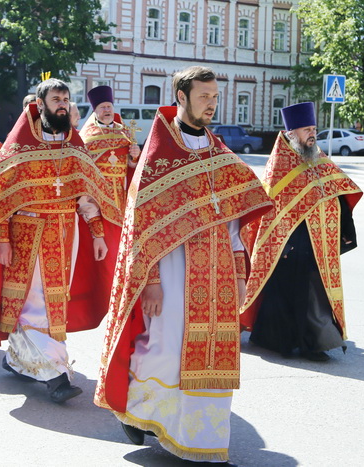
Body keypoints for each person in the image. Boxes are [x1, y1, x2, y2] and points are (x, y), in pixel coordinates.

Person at [94, 66, 272, 464]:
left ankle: (204, 443)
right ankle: (140, 413)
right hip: (172, 272)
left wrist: (241, 275)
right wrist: (151, 282)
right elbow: (141, 226)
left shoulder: (219, 153)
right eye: (204, 96)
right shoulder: (159, 157)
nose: (212, 103)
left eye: (214, 96)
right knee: (162, 351)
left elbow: (233, 222)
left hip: (219, 273)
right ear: (182, 97)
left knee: (214, 356)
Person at [0, 78, 122, 403]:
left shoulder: (75, 146)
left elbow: (87, 194)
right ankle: (56, 375)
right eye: (56, 98)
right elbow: (0, 198)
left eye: (65, 98)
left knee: (50, 303)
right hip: (27, 235)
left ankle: (17, 359)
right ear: (41, 104)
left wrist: (98, 233)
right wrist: (2, 239)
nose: (62, 103)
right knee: (37, 305)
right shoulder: (19, 146)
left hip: (65, 233)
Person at [240, 102, 363, 361]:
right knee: (290, 294)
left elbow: (338, 191)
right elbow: (273, 208)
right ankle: (285, 342)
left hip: (319, 243)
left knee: (316, 294)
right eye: (307, 129)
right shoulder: (280, 165)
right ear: (291, 133)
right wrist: (283, 242)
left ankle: (313, 344)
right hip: (288, 243)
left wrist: (346, 228)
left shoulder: (318, 156)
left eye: (314, 128)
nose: (312, 134)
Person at [79, 86, 140, 212]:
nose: (107, 110)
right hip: (98, 191)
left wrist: (135, 157)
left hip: (120, 189)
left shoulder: (124, 131)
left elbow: (131, 165)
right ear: (95, 111)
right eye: (102, 107)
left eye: (109, 107)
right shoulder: (88, 134)